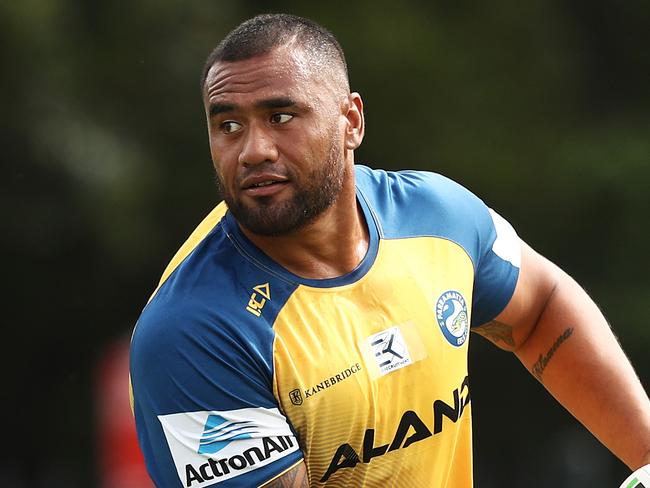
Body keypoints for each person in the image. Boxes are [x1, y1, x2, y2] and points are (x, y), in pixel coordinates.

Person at [129, 13, 650, 487]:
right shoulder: (192, 332)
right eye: (229, 126)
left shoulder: (436, 216)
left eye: (281, 116)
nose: (253, 150)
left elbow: (538, 310)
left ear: (351, 121)